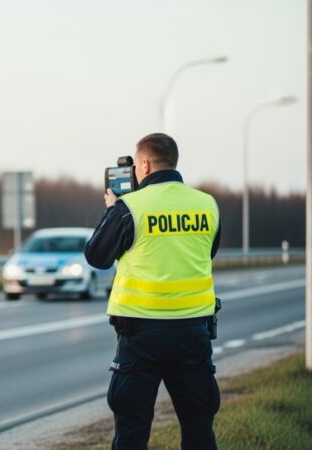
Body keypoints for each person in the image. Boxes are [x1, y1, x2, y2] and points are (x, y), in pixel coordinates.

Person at [85, 133, 222, 450]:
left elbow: (97, 256)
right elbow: (206, 251)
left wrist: (112, 209)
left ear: (144, 164)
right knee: (200, 429)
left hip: (140, 337)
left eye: (135, 164)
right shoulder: (208, 205)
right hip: (194, 334)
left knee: (131, 432)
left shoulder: (129, 207)